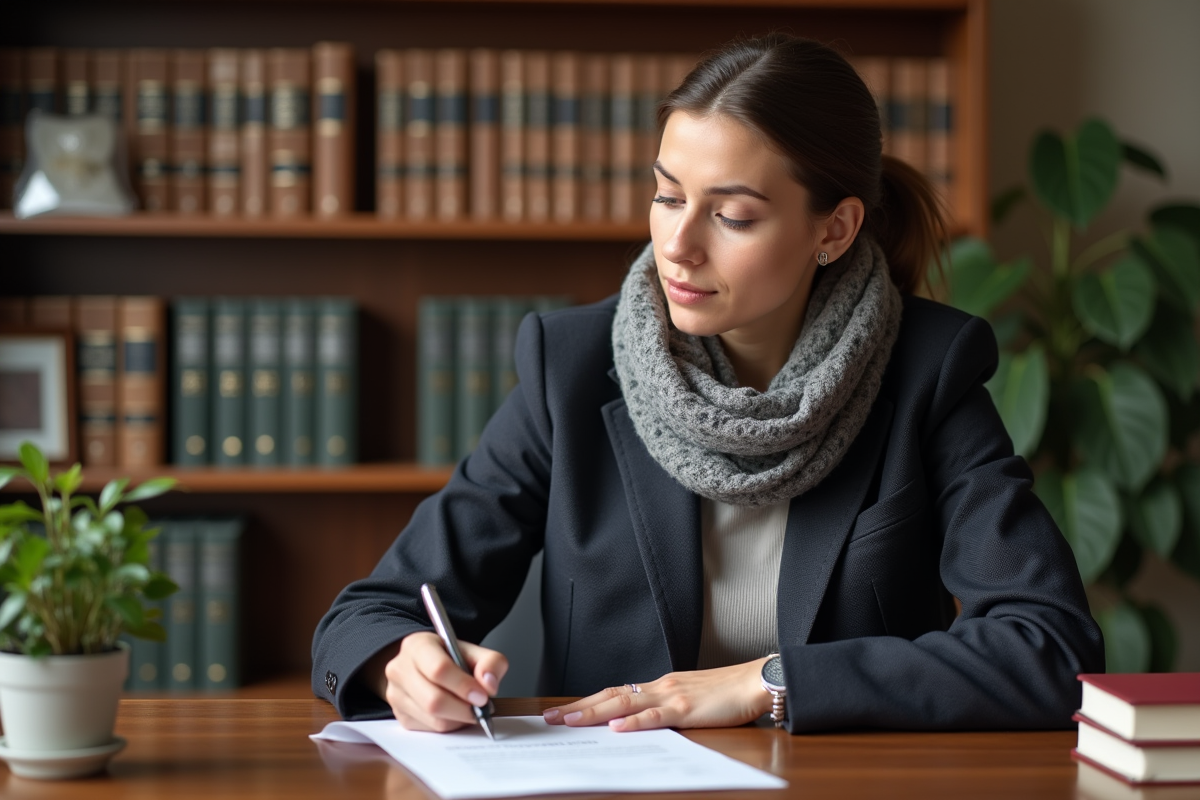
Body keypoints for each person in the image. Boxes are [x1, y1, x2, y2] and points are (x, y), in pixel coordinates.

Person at [312, 33, 1104, 735]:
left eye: (732, 216)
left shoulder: (929, 370)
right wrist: (400, 662)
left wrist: (768, 684)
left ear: (835, 229)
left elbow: (1050, 646)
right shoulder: (573, 365)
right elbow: (368, 615)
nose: (677, 245)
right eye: (667, 196)